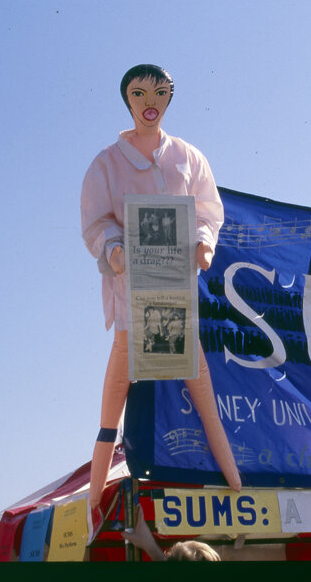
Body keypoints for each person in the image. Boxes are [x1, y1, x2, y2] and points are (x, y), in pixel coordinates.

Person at [80, 64, 242, 545]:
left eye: (160, 92)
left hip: (176, 289)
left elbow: (207, 209)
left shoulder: (190, 157)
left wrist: (204, 241)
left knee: (197, 374)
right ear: (127, 99)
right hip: (133, 290)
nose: (150, 100)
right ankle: (95, 488)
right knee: (118, 384)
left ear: (170, 97)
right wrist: (112, 248)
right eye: (139, 92)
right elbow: (96, 219)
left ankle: (233, 476)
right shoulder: (107, 163)